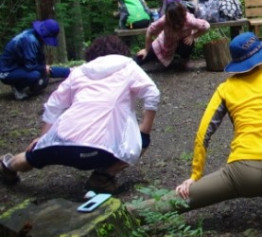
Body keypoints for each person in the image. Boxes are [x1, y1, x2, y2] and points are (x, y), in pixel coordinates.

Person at [173, 33, 262, 218]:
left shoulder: (225, 88)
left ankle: (134, 214)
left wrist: (195, 176)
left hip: (240, 176)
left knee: (182, 198)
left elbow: (203, 133)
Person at [0, 35, 160, 192]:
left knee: (32, 157)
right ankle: (103, 177)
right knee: (142, 141)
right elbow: (152, 92)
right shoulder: (128, 67)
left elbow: (54, 104)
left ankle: (8, 166)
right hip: (98, 151)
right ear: (121, 51)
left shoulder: (80, 71)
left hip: (59, 145)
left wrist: (43, 139)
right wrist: (144, 130)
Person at [0, 19, 70, 100]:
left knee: (42, 76)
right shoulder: (30, 40)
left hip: (19, 67)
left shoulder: (35, 38)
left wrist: (69, 71)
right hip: (6, 72)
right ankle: (18, 87)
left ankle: (68, 71)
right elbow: (32, 67)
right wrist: (44, 68)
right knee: (35, 75)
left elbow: (44, 67)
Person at [136, 0, 210, 70]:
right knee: (140, 58)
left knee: (188, 43)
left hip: (182, 43)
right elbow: (150, 31)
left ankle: (183, 61)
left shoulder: (189, 20)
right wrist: (146, 50)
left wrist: (193, 36)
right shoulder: (164, 20)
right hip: (164, 44)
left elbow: (206, 26)